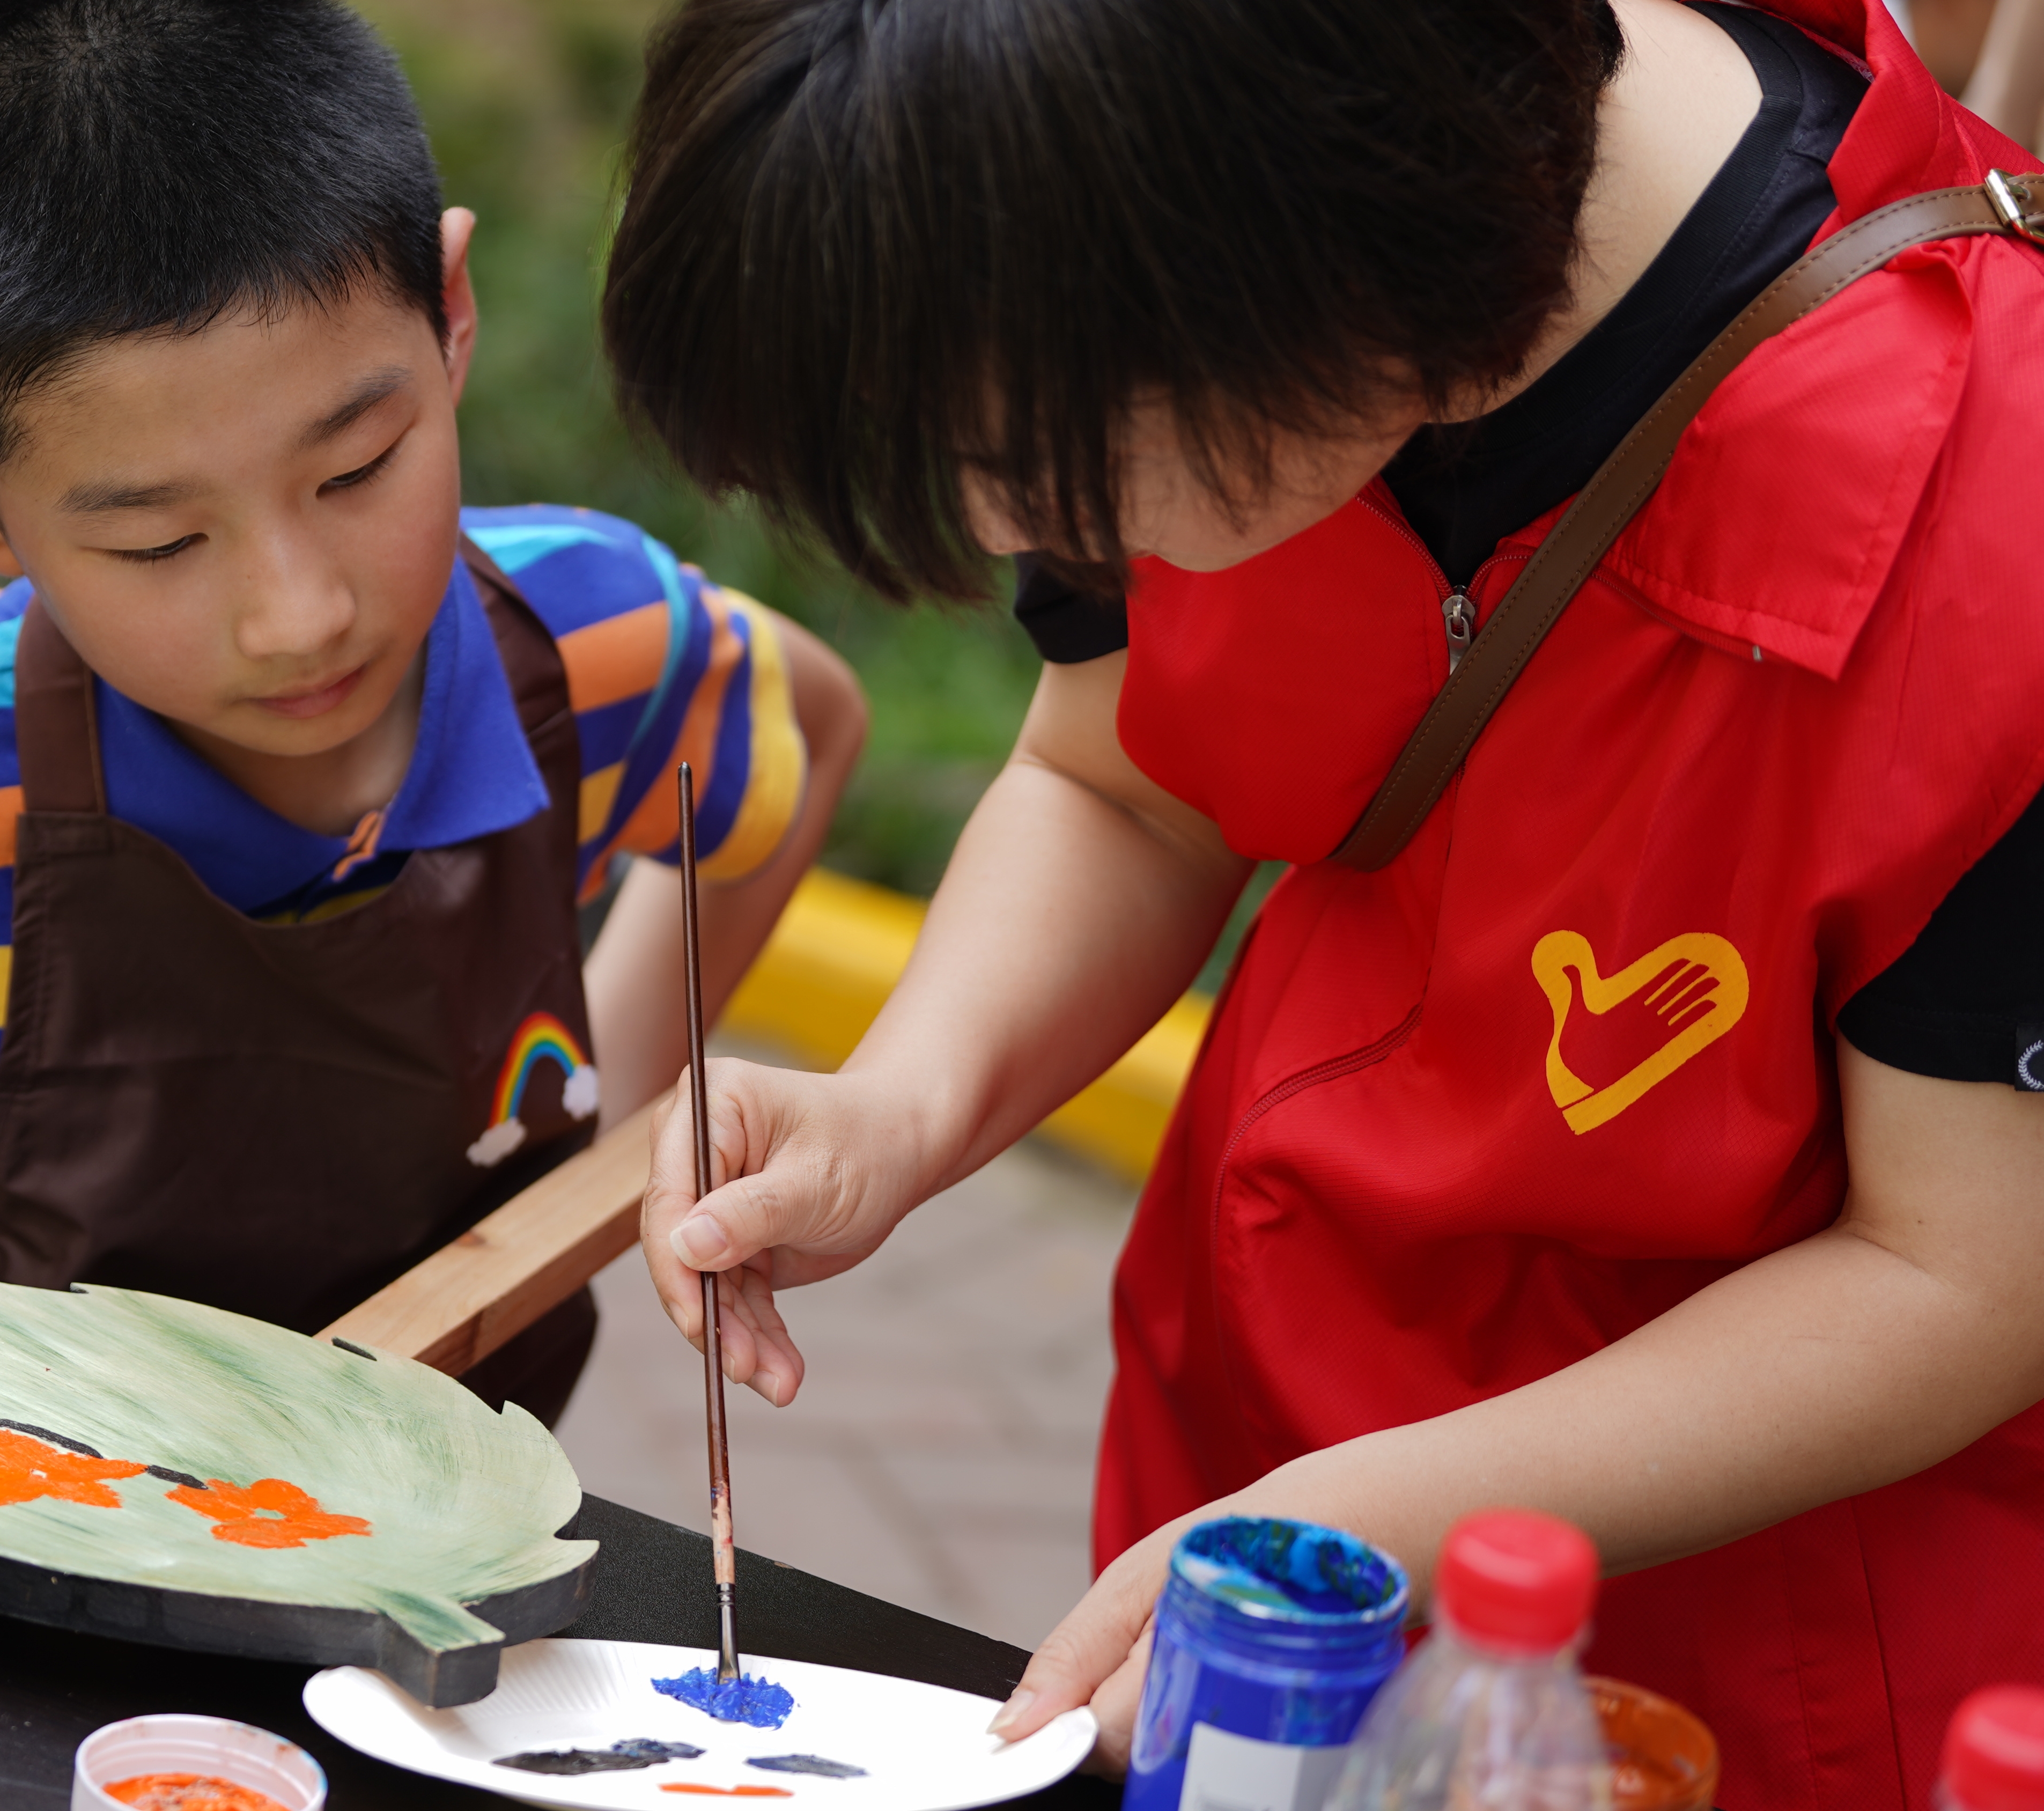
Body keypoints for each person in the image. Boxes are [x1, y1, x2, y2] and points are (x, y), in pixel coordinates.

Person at [598, 1, 2044, 1805]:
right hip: (1259, 1494)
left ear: (1304, 250)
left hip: (1740, 1677)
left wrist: (1381, 1510)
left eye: (1040, 468)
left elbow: (1968, 1277)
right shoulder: (1134, 260)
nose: (1004, 528)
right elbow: (1123, 782)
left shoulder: (2000, 515)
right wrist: (902, 1105)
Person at [0, 0, 865, 1424]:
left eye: (358, 468)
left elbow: (812, 720)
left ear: (452, 318)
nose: (299, 613)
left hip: (407, 1574)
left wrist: (607, 1117)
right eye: (160, 546)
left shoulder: (598, 645)